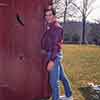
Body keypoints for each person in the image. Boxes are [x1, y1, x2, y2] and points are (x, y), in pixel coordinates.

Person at [41, 7, 73, 100]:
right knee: (62, 76)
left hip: (54, 55)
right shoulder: (50, 26)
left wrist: (52, 60)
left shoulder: (56, 28)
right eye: (46, 15)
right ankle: (69, 95)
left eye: (50, 15)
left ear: (54, 15)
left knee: (54, 82)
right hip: (53, 54)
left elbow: (56, 46)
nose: (48, 17)